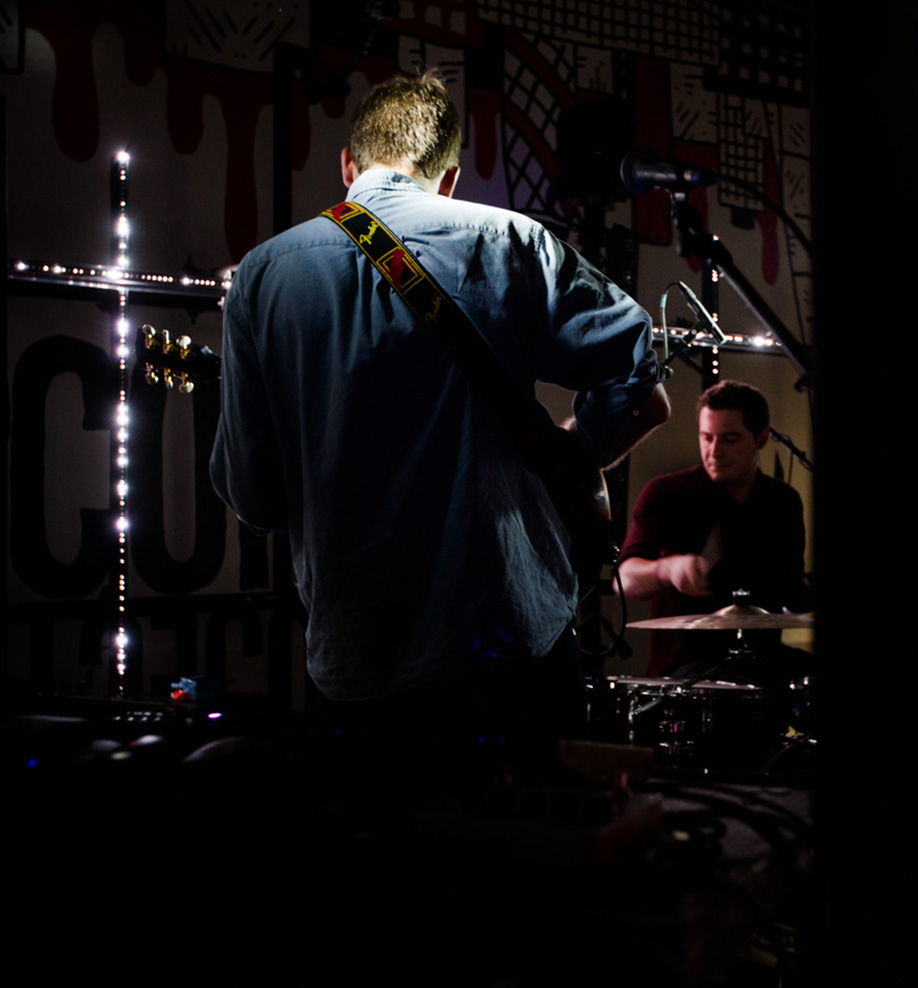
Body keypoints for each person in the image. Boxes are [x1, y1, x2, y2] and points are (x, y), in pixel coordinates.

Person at [209, 73, 668, 738]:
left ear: (348, 165)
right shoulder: (512, 241)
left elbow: (254, 497)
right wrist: (572, 454)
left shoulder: (261, 277)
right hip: (507, 648)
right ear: (449, 177)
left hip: (359, 667)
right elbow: (642, 389)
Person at [616, 380, 806, 677]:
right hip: (687, 668)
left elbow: (793, 592)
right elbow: (623, 580)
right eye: (706, 437)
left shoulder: (783, 502)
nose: (714, 451)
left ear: (762, 438)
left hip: (764, 658)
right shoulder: (666, 494)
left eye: (729, 439)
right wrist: (667, 570)